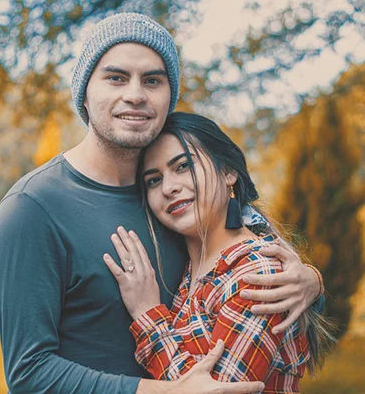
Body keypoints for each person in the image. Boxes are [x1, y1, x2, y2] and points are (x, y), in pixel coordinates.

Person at [0, 13, 323, 394]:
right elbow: (29, 374)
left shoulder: (176, 204)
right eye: (116, 77)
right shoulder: (32, 208)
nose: (135, 94)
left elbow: (247, 245)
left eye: (152, 80)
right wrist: (170, 392)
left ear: (168, 95)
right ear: (84, 91)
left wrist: (311, 281)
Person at [104, 112, 333, 392]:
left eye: (183, 166)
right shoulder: (189, 268)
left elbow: (217, 389)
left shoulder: (256, 271)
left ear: (228, 172)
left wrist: (147, 313)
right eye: (153, 180)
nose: (169, 187)